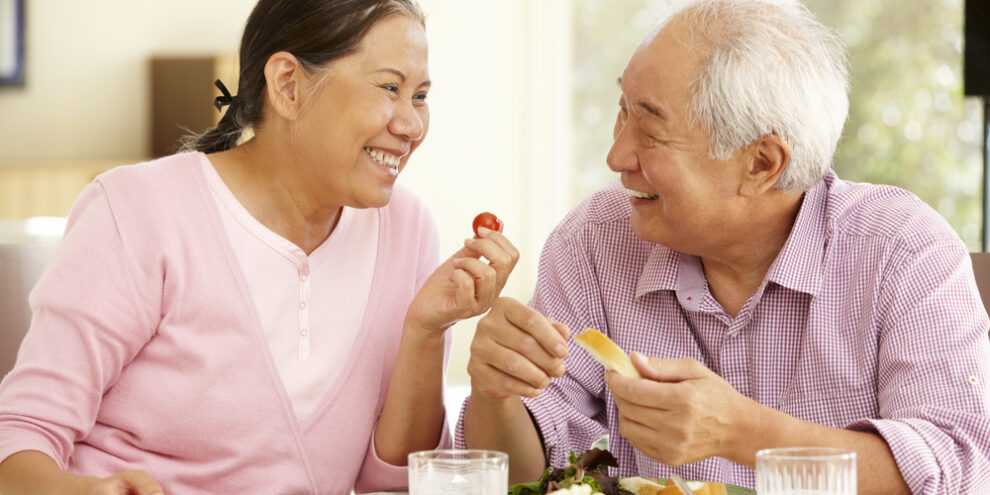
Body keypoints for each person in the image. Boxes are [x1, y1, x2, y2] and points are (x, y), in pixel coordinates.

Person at [457, 0, 990, 493]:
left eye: (652, 129)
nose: (616, 155)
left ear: (761, 164)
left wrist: (744, 433)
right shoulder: (595, 241)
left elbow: (959, 468)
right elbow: (524, 477)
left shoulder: (902, 250)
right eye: (623, 111)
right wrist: (495, 391)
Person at [0, 0, 519, 493]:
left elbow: (394, 485)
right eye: (389, 88)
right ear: (288, 85)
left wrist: (426, 330)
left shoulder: (407, 228)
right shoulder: (137, 210)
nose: (411, 125)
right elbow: (20, 436)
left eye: (421, 95)